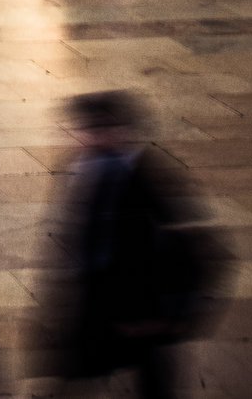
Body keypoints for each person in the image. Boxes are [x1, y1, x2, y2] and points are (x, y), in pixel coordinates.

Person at [46, 91, 222, 399]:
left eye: (100, 129)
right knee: (75, 379)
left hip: (144, 314)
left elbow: (199, 249)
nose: (90, 138)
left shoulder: (151, 177)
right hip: (94, 303)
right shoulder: (79, 167)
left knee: (151, 384)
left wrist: (172, 317)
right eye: (85, 129)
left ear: (124, 130)